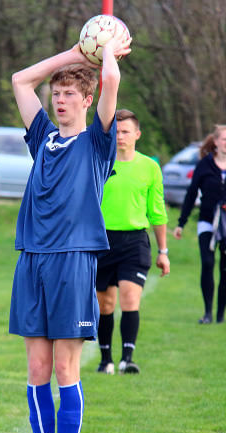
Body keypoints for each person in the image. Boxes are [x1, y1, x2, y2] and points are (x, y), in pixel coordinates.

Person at [8, 34, 131, 433]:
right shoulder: (42, 137)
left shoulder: (98, 142)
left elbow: (111, 81)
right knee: (37, 367)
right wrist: (74, 56)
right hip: (33, 260)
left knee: (64, 367)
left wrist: (106, 54)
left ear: (87, 99)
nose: (59, 101)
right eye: (55, 95)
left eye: (68, 95)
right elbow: (21, 81)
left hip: (72, 260)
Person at [95, 109, 170, 376]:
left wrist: (163, 251)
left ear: (137, 134)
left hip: (135, 242)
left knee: (129, 298)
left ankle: (128, 358)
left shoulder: (149, 167)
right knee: (105, 304)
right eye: (115, 131)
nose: (120, 136)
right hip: (101, 241)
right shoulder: (99, 162)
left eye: (125, 131)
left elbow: (157, 211)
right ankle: (106, 360)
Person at [173, 125, 226, 324]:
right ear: (216, 142)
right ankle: (207, 313)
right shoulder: (204, 165)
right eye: (224, 139)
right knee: (208, 263)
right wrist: (181, 223)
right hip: (207, 220)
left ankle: (220, 315)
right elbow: (191, 194)